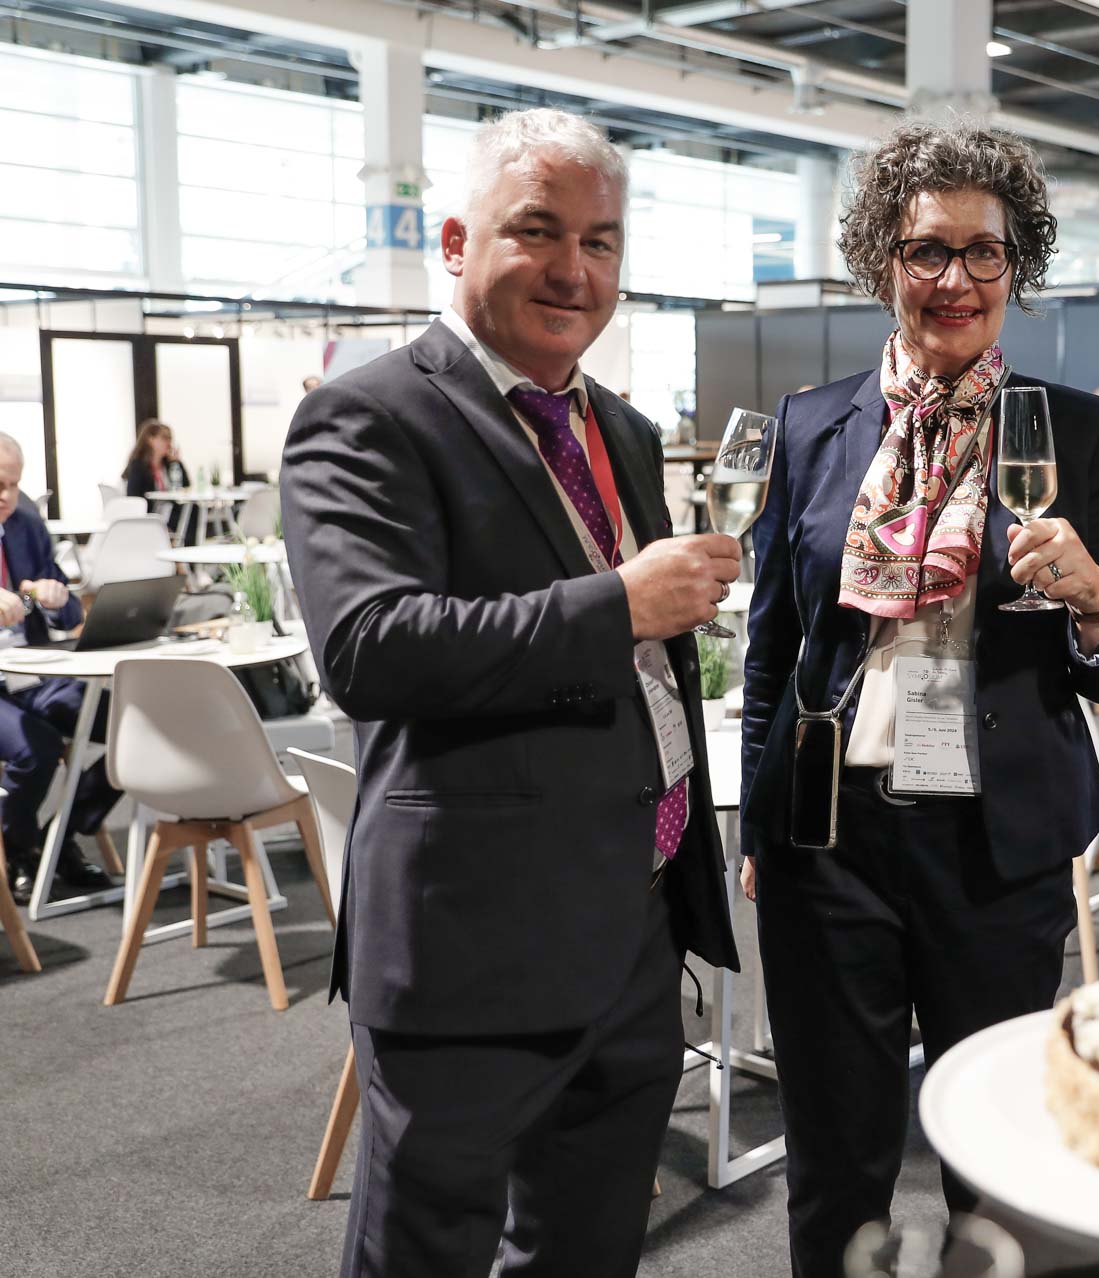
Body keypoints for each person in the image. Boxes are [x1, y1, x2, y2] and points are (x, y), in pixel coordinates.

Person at [280, 108, 741, 1278]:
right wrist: (620, 605)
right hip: (472, 941)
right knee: (425, 1251)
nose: (573, 269)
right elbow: (369, 649)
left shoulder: (621, 429)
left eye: (601, 241)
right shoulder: (371, 414)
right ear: (455, 241)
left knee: (589, 1247)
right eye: (538, 230)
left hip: (635, 923)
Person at [740, 120, 1099, 1278]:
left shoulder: (1078, 432)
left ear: (1018, 267)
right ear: (885, 262)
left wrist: (1096, 599)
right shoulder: (813, 424)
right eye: (927, 250)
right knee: (836, 1158)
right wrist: (763, 821)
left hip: (997, 840)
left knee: (1005, 1156)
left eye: (984, 252)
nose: (956, 278)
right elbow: (776, 646)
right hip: (832, 841)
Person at [0, 432, 115, 906]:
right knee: (39, 748)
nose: (6, 496)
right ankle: (18, 850)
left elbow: (66, 613)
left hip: (34, 672)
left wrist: (48, 597)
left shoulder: (26, 525)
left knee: (135, 725)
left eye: (13, 485)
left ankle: (58, 837)